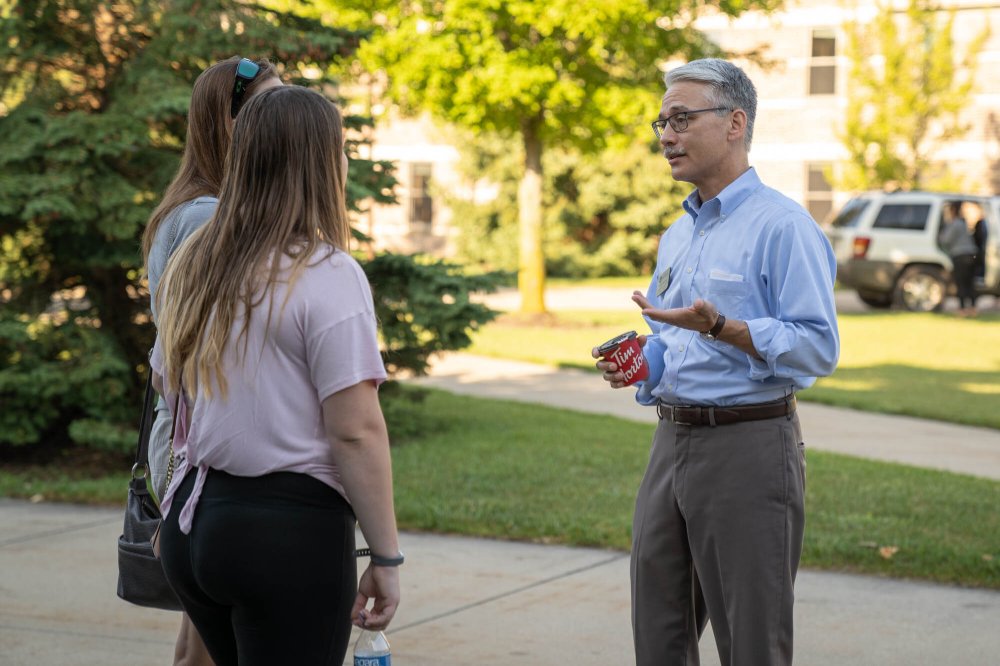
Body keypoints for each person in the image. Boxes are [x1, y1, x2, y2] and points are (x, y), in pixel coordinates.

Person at [593, 58, 839, 666]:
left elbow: (816, 347)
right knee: (658, 635)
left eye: (681, 118)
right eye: (661, 122)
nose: (666, 135)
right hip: (671, 444)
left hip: (750, 448)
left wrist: (724, 328)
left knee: (751, 642)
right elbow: (669, 338)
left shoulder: (784, 227)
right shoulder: (679, 233)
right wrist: (642, 362)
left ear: (735, 123)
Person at [152, 85, 401, 666]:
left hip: (195, 526)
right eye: (338, 149)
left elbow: (170, 386)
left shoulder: (194, 261)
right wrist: (385, 559)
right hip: (285, 533)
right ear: (320, 162)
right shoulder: (327, 272)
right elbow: (355, 430)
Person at [141, 56, 282, 666]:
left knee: (203, 633)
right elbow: (195, 353)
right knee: (212, 637)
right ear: (228, 125)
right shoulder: (207, 216)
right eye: (268, 106)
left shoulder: (208, 206)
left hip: (199, 434)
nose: (284, 118)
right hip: (197, 439)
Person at [938, 201, 979, 317]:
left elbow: (945, 240)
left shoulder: (955, 224)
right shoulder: (963, 223)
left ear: (952, 211)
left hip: (960, 255)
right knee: (970, 283)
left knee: (961, 283)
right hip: (971, 254)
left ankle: (962, 309)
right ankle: (973, 308)